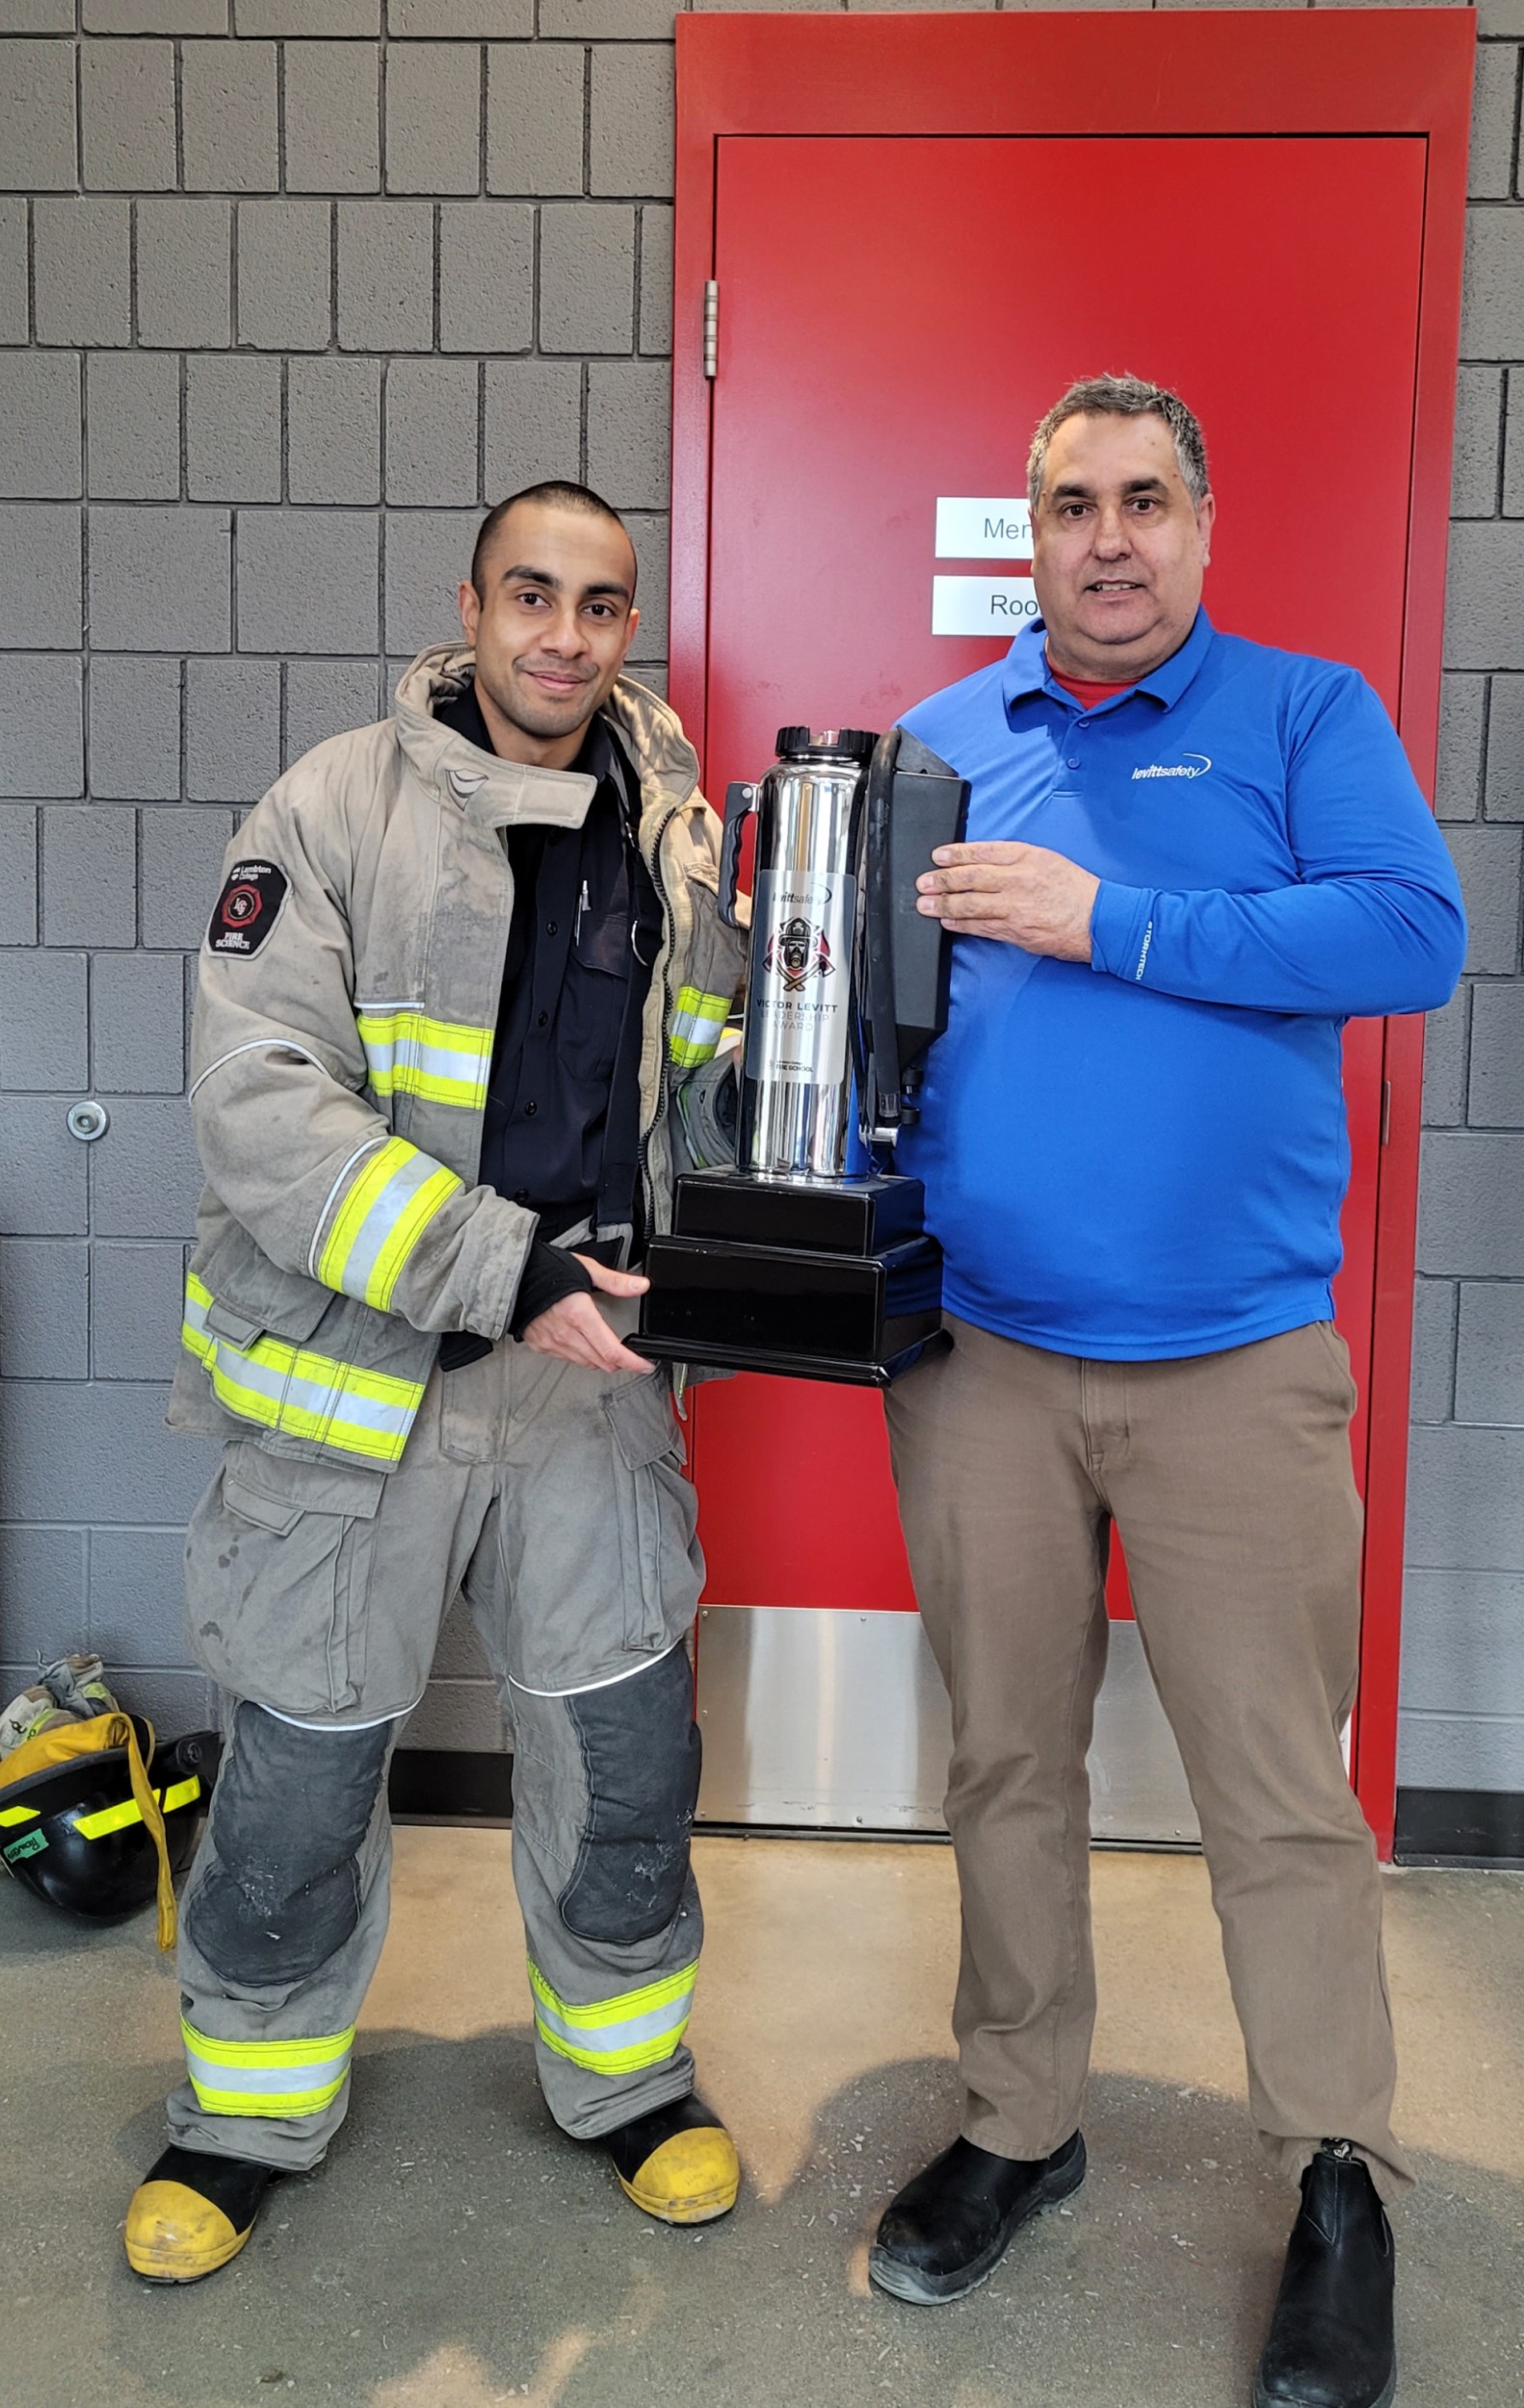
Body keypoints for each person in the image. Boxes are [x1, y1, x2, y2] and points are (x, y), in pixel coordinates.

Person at [868, 378, 1464, 2408]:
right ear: (1021, 534)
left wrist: (1104, 917)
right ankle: (1020, 2117)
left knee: (1279, 1797)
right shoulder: (940, 744)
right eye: (1067, 504)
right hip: (982, 1367)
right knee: (1003, 1763)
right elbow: (864, 1021)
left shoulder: (1302, 718)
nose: (1104, 537)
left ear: (1199, 523)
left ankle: (1335, 2172)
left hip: (1232, 1365)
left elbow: (1407, 934)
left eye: (1140, 500)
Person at [125, 482, 747, 2283]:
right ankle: (241, 2115)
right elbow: (263, 1108)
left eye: (601, 606)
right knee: (301, 1777)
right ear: (466, 606)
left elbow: (692, 1096)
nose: (564, 636)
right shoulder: (329, 810)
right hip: (355, 1392)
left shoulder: (678, 839)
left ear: (630, 625)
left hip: (585, 1403)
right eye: (531, 596)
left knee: (627, 1761)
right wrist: (507, 1268)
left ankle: (626, 2081)